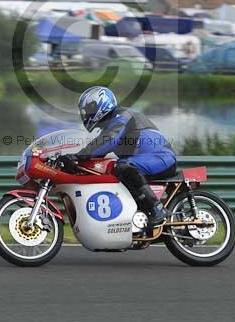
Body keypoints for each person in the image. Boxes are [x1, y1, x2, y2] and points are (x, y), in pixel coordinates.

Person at [58, 86, 176, 227]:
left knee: (123, 165)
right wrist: (73, 161)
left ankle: (157, 209)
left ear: (102, 103)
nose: (86, 114)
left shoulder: (122, 115)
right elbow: (98, 151)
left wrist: (79, 155)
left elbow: (108, 140)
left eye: (89, 110)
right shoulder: (110, 126)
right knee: (111, 169)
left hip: (162, 158)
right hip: (146, 162)